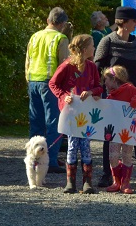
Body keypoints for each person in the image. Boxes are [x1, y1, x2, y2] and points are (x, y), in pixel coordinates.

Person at [94, 6, 136, 189]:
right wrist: (98, 90)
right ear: (124, 22)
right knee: (110, 135)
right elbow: (97, 68)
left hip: (135, 98)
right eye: (134, 20)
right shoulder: (107, 41)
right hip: (114, 99)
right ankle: (108, 175)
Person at [49, 34, 103, 194]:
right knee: (72, 145)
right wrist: (63, 95)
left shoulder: (92, 67)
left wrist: (91, 91)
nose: (94, 48)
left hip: (86, 114)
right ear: (85, 48)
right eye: (93, 45)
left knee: (85, 145)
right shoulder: (67, 65)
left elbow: (99, 87)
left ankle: (87, 182)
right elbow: (53, 83)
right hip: (71, 113)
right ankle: (70, 182)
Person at [26, 7, 70, 174]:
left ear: (48, 20)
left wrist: (28, 80)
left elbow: (28, 60)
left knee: (36, 121)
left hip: (33, 81)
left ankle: (34, 159)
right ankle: (50, 160)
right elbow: (64, 64)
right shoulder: (61, 38)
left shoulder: (35, 36)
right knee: (54, 122)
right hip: (50, 83)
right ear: (63, 24)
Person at [102, 65, 136, 194]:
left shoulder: (129, 89)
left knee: (127, 156)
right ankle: (116, 181)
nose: (104, 82)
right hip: (114, 131)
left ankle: (125, 183)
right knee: (113, 156)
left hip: (128, 131)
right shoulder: (110, 95)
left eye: (106, 79)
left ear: (114, 79)